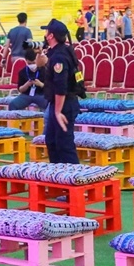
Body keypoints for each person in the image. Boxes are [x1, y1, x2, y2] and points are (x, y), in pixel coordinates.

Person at [40, 19, 80, 164]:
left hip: (64, 105)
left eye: (46, 32)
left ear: (51, 36)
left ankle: (76, 180)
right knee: (52, 141)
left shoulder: (59, 57)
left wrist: (57, 112)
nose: (44, 35)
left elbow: (61, 87)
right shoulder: (56, 52)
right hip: (58, 104)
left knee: (64, 145)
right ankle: (58, 177)